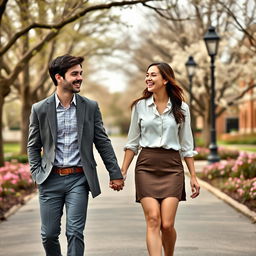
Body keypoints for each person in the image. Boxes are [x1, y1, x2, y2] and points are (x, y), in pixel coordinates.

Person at [27, 54, 124, 256]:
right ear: (58, 77)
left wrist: (115, 173)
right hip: (50, 179)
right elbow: (33, 145)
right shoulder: (40, 109)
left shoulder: (90, 107)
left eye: (81, 73)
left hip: (78, 179)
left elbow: (102, 141)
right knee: (49, 234)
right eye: (74, 74)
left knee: (75, 232)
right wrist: (36, 173)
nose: (80, 77)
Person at [121, 62, 200, 256]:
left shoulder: (182, 108)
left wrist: (193, 176)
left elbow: (187, 146)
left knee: (167, 224)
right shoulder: (139, 107)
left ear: (165, 79)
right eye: (147, 74)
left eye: (153, 75)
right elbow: (132, 143)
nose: (148, 78)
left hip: (172, 167)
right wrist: (122, 171)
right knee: (153, 219)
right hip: (146, 166)